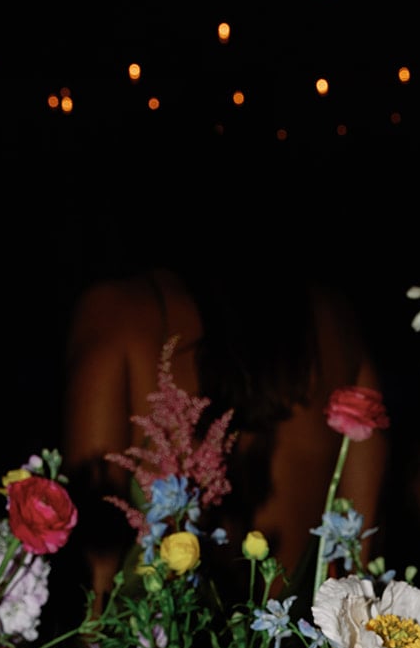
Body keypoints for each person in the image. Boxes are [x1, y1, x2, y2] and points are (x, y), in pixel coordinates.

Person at [61, 256, 389, 598]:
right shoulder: (340, 325)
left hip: (144, 644)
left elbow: (91, 575)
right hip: (297, 644)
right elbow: (358, 560)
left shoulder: (118, 314)